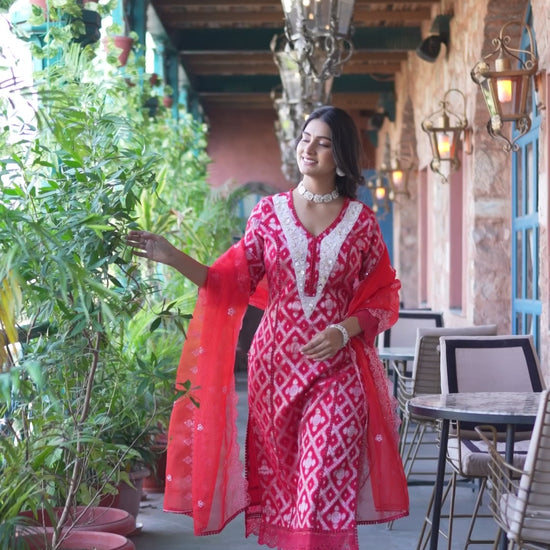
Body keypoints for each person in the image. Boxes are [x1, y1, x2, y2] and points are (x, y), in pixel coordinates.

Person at [126, 105, 409, 550]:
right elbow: (227, 281)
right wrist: (171, 256)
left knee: (321, 483)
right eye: (305, 138)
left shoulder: (362, 223)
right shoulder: (268, 214)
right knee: (291, 494)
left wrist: (343, 330)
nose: (309, 148)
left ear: (341, 157)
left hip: (339, 371)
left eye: (323, 143)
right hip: (275, 373)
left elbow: (383, 296)